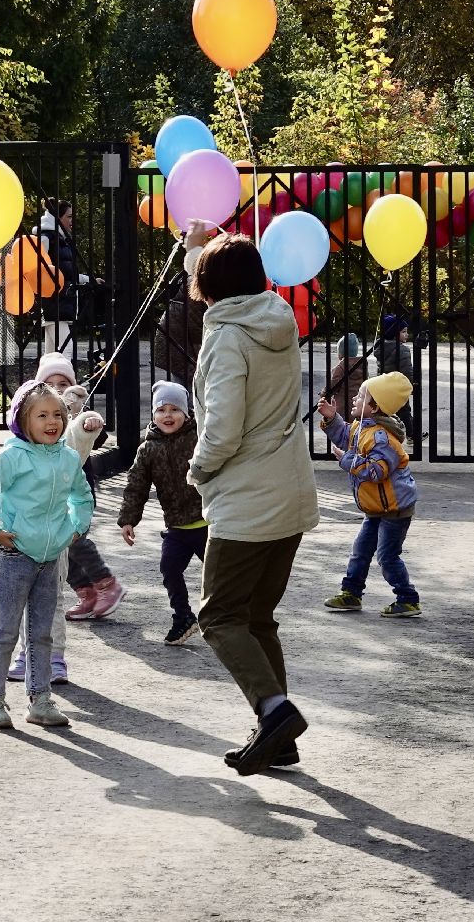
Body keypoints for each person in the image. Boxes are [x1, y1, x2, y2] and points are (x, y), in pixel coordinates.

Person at [181, 224, 320, 776]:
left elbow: (223, 430)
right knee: (259, 617)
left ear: (209, 287)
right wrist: (199, 243)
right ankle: (278, 738)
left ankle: (275, 710)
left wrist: (197, 470)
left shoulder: (228, 336)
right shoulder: (277, 320)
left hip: (246, 498)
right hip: (289, 492)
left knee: (218, 616)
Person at [0, 379, 93, 731]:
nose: (52, 422)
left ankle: (40, 700)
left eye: (58, 414)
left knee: (42, 634)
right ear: (22, 420)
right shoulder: (12, 457)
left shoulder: (67, 457)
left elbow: (82, 495)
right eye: (42, 415)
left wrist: (77, 528)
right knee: (5, 631)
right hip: (15, 557)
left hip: (50, 559)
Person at [317, 373, 422, 619]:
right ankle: (351, 593)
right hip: (376, 507)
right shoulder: (363, 427)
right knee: (361, 550)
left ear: (374, 407)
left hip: (394, 510)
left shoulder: (381, 437)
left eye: (361, 396)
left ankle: (407, 598)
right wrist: (332, 419)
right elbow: (346, 436)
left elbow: (375, 471)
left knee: (387, 556)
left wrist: (346, 459)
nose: (355, 397)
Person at [117, 380, 207, 646]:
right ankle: (183, 617)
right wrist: (128, 519)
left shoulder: (199, 438)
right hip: (177, 528)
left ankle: (234, 615)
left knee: (218, 576)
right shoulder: (148, 449)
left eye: (175, 410)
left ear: (187, 414)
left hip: (208, 523)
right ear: (154, 414)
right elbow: (136, 485)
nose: (168, 415)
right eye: (161, 410)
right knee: (169, 569)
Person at [57, 384, 126, 623]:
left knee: (74, 540)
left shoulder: (79, 416)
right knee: (57, 549)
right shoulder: (41, 419)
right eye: (51, 385)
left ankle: (107, 584)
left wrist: (88, 419)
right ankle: (86, 593)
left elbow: (96, 433)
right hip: (49, 495)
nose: (59, 391)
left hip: (78, 494)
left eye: (64, 385)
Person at [38, 200, 95, 355]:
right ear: (57, 217)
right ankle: (65, 380)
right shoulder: (46, 239)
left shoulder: (61, 240)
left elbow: (67, 274)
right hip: (53, 304)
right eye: (69, 216)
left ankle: (47, 380)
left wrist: (90, 280)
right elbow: (36, 271)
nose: (72, 221)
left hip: (60, 304)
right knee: (65, 350)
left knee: (50, 356)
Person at [374, 314, 420, 446]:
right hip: (398, 385)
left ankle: (383, 435)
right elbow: (407, 370)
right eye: (404, 331)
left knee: (385, 412)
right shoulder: (402, 350)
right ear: (394, 333)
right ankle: (412, 435)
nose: (407, 334)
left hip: (383, 385)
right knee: (405, 411)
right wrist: (411, 385)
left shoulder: (381, 348)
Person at [324, 334, 368, 414]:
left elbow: (332, 387)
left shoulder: (341, 368)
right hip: (357, 406)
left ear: (340, 353)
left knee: (341, 425)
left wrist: (323, 393)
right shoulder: (362, 365)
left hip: (342, 407)